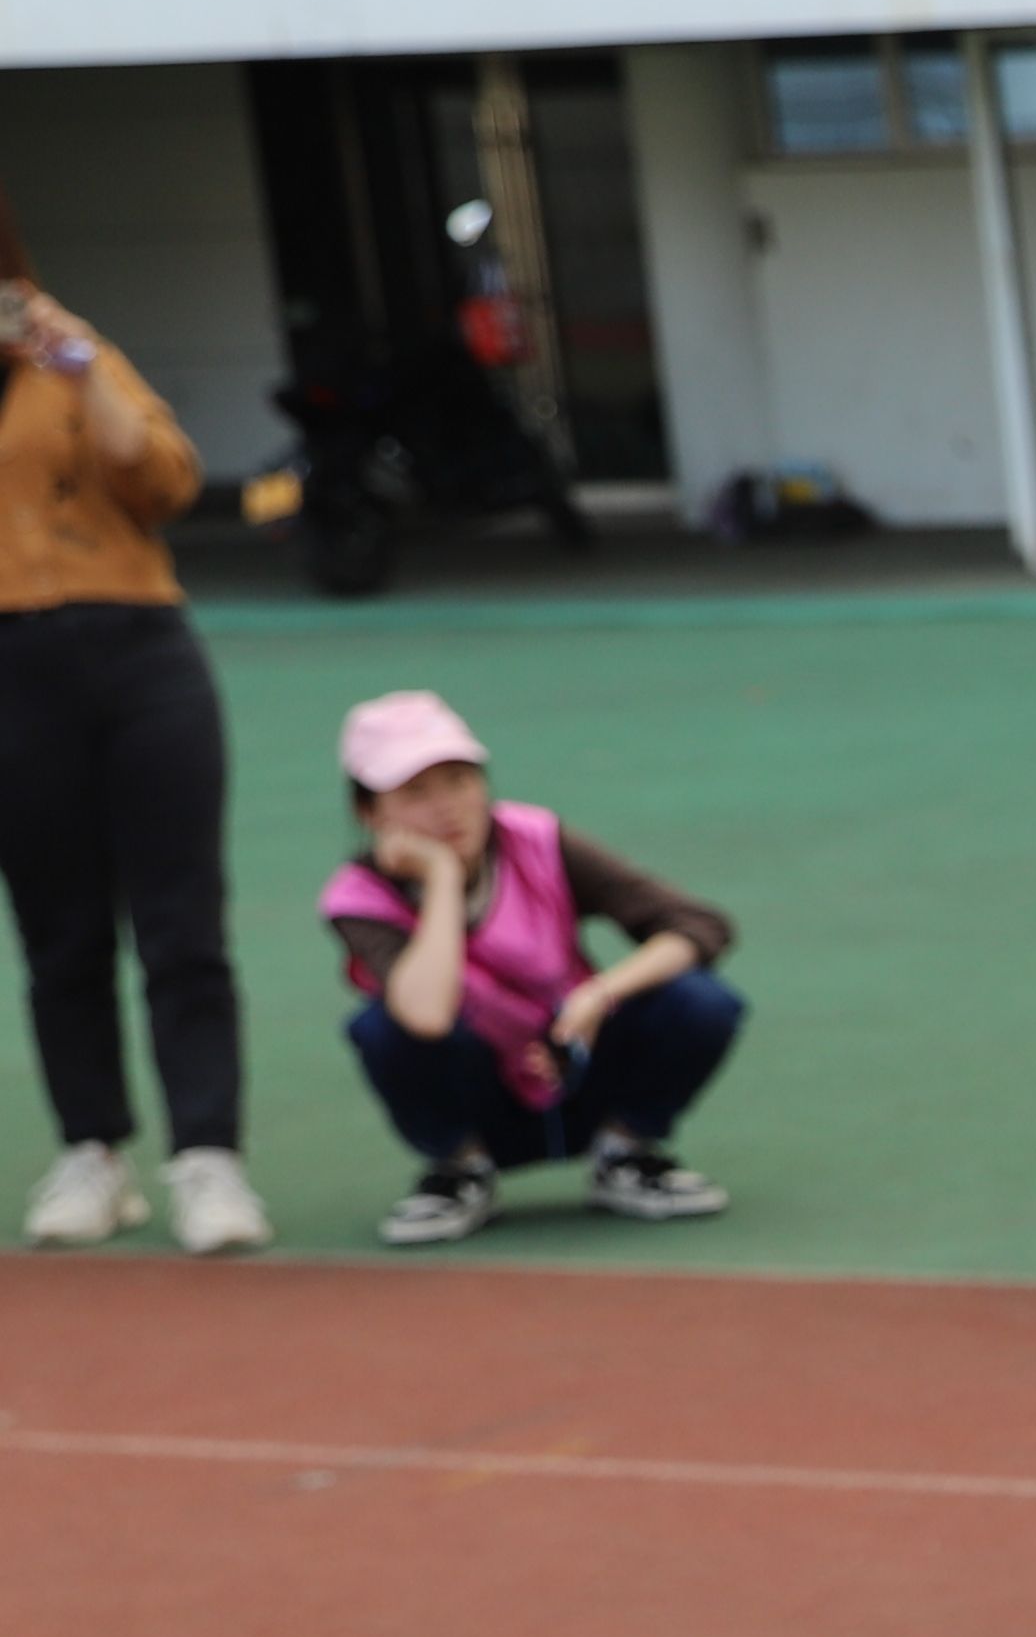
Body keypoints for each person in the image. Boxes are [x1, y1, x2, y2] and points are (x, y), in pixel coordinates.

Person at [2, 189, 258, 1255]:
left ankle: (208, 1155)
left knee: (181, 923)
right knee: (58, 931)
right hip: (10, 665)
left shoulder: (71, 353)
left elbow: (164, 480)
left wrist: (77, 364)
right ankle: (93, 1149)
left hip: (141, 650)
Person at [317, 687, 742, 1247]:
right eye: (416, 792)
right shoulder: (358, 899)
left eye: (460, 780)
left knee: (698, 1000)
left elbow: (697, 924)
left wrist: (600, 994)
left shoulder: (537, 839)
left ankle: (625, 1151)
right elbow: (425, 1014)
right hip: (482, 1095)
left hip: (580, 1065)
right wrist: (441, 877)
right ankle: (461, 1168)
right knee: (382, 1026)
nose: (447, 806)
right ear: (369, 813)